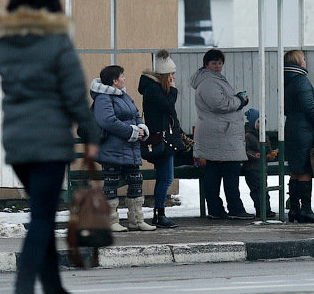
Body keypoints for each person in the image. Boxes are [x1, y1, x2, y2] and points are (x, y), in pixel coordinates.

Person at [0, 0, 100, 294]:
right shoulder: (57, 42)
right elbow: (74, 95)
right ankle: (23, 288)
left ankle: (52, 287)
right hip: (50, 140)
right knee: (41, 216)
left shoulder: (4, 43)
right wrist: (92, 134)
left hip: (16, 140)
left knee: (42, 211)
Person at [190, 49, 254, 220]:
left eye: (219, 63)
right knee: (230, 172)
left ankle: (216, 209)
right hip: (221, 134)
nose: (217, 66)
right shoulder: (209, 82)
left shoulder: (210, 80)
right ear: (206, 64)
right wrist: (241, 100)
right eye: (213, 63)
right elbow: (221, 104)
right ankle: (234, 208)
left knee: (214, 171)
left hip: (218, 133)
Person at [92, 65, 155, 232]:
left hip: (129, 148)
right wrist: (132, 132)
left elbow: (135, 114)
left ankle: (137, 219)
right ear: (114, 81)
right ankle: (110, 221)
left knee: (136, 180)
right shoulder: (103, 98)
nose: (124, 79)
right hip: (112, 148)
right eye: (122, 76)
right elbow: (107, 121)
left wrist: (141, 127)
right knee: (111, 182)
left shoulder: (123, 95)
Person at [283, 49, 314, 224]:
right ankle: (306, 209)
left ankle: (294, 209)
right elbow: (309, 104)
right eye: (303, 59)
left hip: (291, 127)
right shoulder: (301, 80)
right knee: (305, 169)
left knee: (296, 169)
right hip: (304, 129)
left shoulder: (286, 80)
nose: (305, 62)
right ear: (297, 61)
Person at [138, 49, 183, 228]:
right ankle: (159, 214)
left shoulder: (155, 89)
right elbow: (168, 107)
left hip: (166, 140)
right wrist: (172, 90)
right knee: (165, 178)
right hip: (162, 141)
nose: (173, 77)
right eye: (171, 74)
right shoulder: (153, 90)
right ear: (164, 76)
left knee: (166, 178)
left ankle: (159, 213)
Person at [243, 108, 276, 218]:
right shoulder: (248, 136)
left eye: (264, 122)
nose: (262, 125)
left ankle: (266, 209)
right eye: (259, 122)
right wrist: (257, 156)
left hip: (261, 167)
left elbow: (267, 149)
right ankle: (261, 209)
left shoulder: (264, 136)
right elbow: (245, 150)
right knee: (257, 190)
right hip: (252, 168)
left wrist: (271, 154)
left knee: (264, 189)